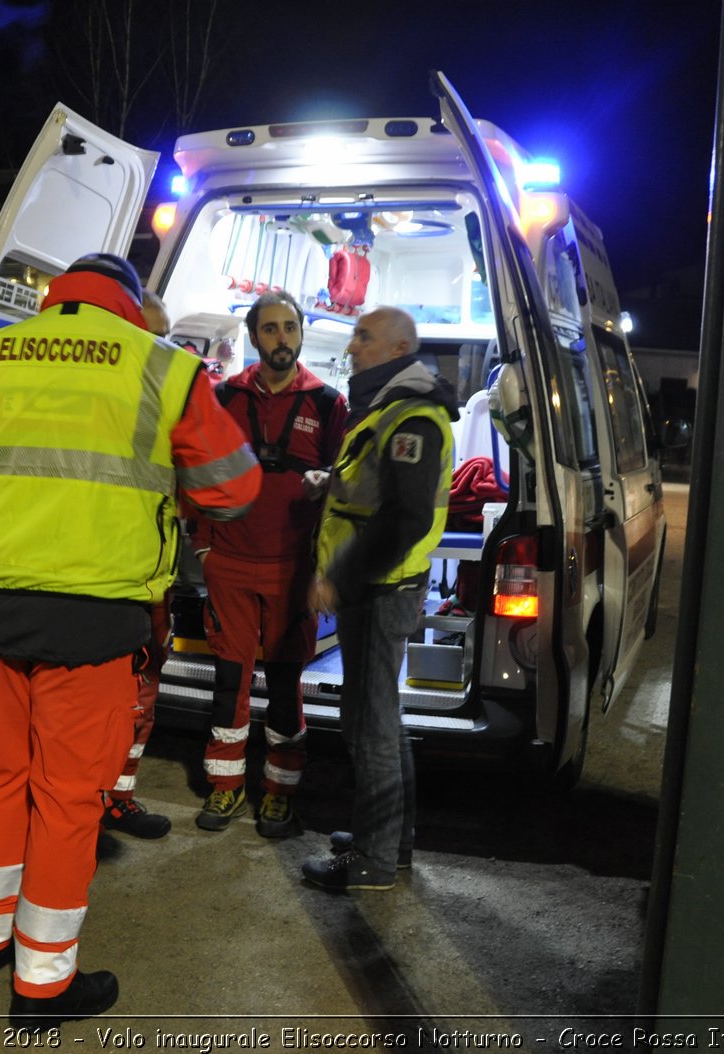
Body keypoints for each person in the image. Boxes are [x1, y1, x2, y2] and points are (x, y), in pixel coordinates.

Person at [0, 254, 259, 1027]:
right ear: (128, 300)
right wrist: (161, 491)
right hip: (95, 614)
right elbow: (235, 486)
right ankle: (43, 983)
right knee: (67, 798)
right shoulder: (165, 367)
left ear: (57, 296)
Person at [302, 306, 455, 891]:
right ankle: (393, 842)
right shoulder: (390, 409)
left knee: (369, 727)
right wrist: (327, 482)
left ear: (398, 350)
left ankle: (372, 859)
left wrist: (339, 576)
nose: (353, 347)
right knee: (382, 723)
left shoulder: (412, 416)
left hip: (380, 588)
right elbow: (368, 489)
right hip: (380, 586)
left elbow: (403, 520)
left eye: (364, 337)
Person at [191, 290, 346, 837]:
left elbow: (345, 492)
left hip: (291, 569)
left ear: (301, 334)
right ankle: (225, 786)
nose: (282, 338)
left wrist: (323, 567)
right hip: (230, 562)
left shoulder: (329, 404)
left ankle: (280, 794)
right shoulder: (222, 396)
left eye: (290, 327)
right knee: (228, 679)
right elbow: (199, 470)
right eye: (271, 329)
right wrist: (204, 545)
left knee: (285, 684)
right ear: (254, 337)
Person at [97, 289, 176, 839]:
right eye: (149, 335)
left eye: (163, 337)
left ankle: (117, 798)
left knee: (141, 701)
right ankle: (87, 803)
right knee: (98, 708)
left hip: (152, 586)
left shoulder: (167, 407)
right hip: (105, 585)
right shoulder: (101, 409)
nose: (158, 347)